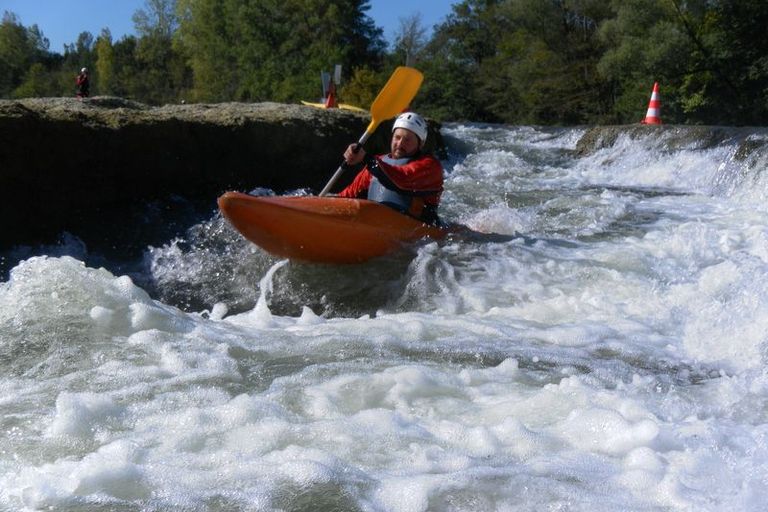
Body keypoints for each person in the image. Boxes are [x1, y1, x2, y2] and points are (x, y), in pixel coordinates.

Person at [338, 112, 444, 225]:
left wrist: (366, 158)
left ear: (420, 144)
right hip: (377, 224)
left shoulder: (430, 166)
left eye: (407, 140)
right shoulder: (379, 163)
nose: (400, 143)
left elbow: (401, 180)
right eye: (397, 137)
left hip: (418, 233)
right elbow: (347, 196)